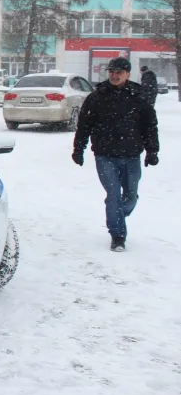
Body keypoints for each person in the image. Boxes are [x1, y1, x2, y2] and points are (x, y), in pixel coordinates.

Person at [72, 57, 159, 251]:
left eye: (119, 72)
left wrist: (152, 151)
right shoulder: (97, 97)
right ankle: (118, 235)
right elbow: (84, 125)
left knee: (130, 196)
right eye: (111, 72)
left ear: (128, 74)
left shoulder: (139, 96)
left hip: (131, 155)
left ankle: (117, 213)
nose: (114, 75)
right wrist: (79, 149)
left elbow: (150, 126)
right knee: (113, 195)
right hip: (105, 155)